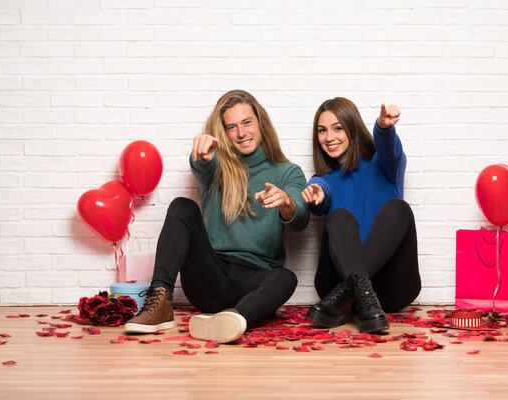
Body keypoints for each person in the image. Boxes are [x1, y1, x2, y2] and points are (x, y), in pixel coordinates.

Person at [125, 90, 309, 343]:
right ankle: (159, 303)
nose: (241, 133)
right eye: (231, 127)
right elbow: (202, 164)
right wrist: (201, 156)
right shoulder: (218, 166)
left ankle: (234, 318)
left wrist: (287, 202)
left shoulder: (288, 172)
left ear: (260, 123)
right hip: (210, 277)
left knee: (286, 277)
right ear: (224, 132)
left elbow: (301, 219)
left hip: (255, 281)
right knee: (182, 206)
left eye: (246, 123)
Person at [301, 97, 421, 334]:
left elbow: (389, 150)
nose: (329, 137)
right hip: (333, 281)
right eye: (322, 131)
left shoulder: (385, 165)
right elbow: (320, 192)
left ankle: (350, 292)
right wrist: (316, 192)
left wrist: (383, 128)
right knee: (339, 216)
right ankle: (357, 292)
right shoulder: (324, 180)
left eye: (337, 128)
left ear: (352, 127)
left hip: (389, 290)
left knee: (400, 208)